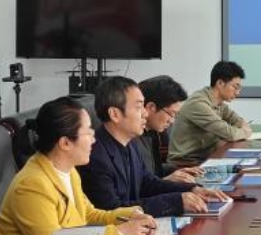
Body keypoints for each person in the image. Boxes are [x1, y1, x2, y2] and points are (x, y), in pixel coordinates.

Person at [0, 97, 158, 235]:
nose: (94, 140)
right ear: (65, 143)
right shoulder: (31, 185)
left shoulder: (69, 171)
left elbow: (88, 215)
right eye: (88, 133)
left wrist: (130, 215)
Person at [80, 76, 228, 217]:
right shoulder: (94, 156)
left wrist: (193, 189)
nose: (145, 113)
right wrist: (176, 202)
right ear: (114, 114)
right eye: (139, 107)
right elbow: (112, 210)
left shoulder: (130, 143)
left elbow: (147, 183)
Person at [168, 60, 253, 162]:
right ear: (220, 83)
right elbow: (231, 134)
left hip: (206, 156)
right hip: (187, 162)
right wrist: (246, 132)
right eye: (235, 87)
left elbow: (237, 120)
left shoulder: (218, 102)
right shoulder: (198, 104)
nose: (237, 93)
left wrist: (240, 129)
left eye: (239, 88)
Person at [137, 74, 202, 182]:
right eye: (171, 114)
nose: (172, 121)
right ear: (151, 107)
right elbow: (137, 186)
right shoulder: (131, 138)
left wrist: (179, 171)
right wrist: (166, 180)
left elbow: (153, 169)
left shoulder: (152, 133)